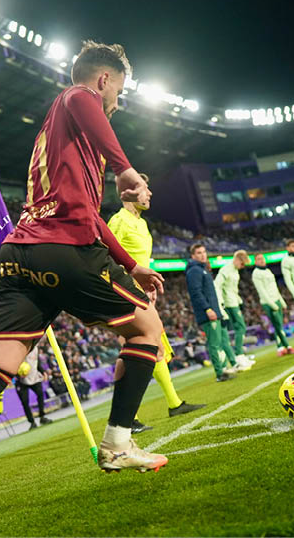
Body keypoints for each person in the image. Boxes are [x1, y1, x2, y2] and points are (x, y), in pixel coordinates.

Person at [0, 40, 168, 537]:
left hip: (21, 258)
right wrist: (126, 168)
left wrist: (130, 264)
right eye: (118, 91)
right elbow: (81, 100)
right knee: (147, 330)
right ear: (103, 80)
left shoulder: (64, 143)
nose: (117, 102)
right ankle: (117, 441)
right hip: (63, 252)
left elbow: (92, 215)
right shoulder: (76, 99)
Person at [107, 173, 205, 430]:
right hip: (124, 293)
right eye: (144, 189)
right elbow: (106, 257)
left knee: (152, 347)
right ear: (128, 192)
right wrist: (130, 285)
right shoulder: (118, 221)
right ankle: (127, 418)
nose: (149, 194)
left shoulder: (142, 223)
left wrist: (147, 285)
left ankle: (173, 404)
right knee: (136, 349)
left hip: (141, 294)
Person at [185, 244, 238, 382]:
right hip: (208, 313)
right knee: (214, 344)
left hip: (215, 311)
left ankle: (225, 368)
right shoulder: (194, 271)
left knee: (220, 342)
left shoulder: (202, 270)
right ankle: (220, 373)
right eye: (199, 253)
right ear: (193, 256)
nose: (203, 255)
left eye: (204, 252)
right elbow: (196, 293)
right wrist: (208, 309)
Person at [214, 250, 255, 368]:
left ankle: (238, 355)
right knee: (240, 327)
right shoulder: (226, 269)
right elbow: (217, 285)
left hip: (234, 302)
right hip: (228, 304)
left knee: (239, 327)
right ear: (237, 259)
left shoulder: (235, 271)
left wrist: (239, 300)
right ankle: (239, 354)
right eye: (242, 264)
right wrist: (221, 302)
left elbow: (232, 289)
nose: (243, 267)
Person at [251, 254, 294, 357]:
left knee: (279, 325)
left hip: (276, 300)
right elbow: (261, 291)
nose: (261, 261)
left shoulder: (268, 271)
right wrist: (272, 304)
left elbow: (274, 287)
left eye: (262, 259)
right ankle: (288, 347)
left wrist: (281, 300)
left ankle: (280, 348)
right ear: (255, 262)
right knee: (277, 325)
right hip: (268, 303)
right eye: (259, 259)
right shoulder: (256, 273)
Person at [14, 347, 52, 430]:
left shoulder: (35, 348)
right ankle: (32, 422)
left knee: (40, 395)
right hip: (21, 381)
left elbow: (36, 362)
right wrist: (17, 374)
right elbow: (12, 363)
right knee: (24, 401)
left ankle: (42, 417)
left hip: (34, 377)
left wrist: (43, 372)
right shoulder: (18, 349)